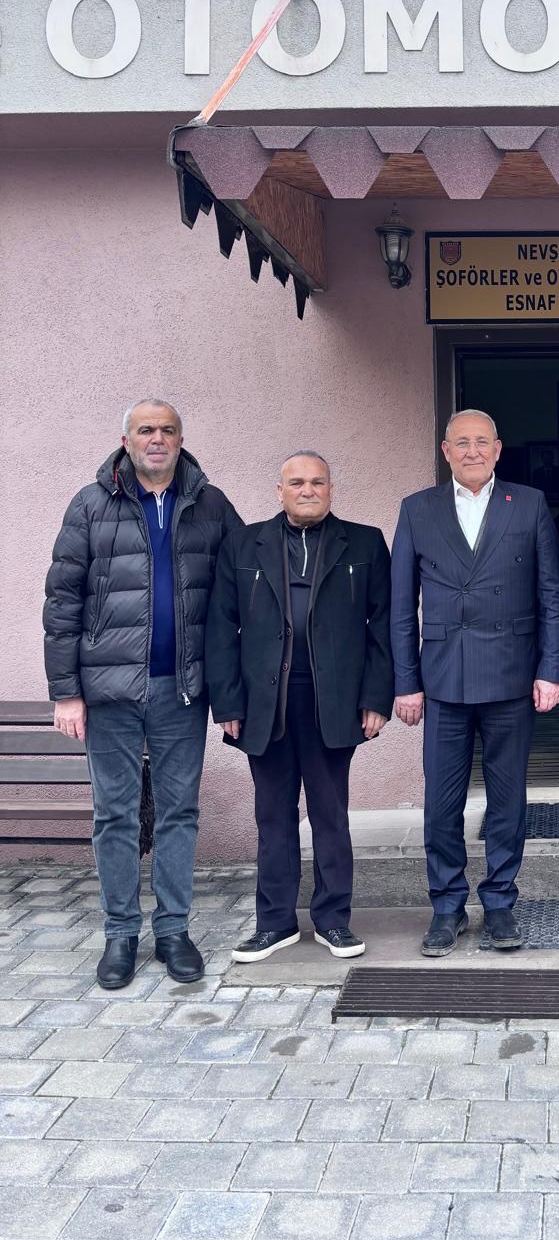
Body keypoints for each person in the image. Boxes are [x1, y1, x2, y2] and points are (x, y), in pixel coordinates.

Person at [43, 399, 241, 989]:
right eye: (146, 430)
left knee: (180, 811)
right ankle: (121, 934)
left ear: (181, 439)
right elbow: (62, 602)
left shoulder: (210, 504)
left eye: (167, 430)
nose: (157, 438)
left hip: (183, 690)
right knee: (115, 814)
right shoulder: (90, 503)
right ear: (126, 439)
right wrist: (65, 692)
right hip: (108, 691)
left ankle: (173, 931)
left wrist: (232, 688)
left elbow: (239, 595)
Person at [392, 410, 559, 957]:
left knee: (507, 800)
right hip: (442, 679)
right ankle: (447, 905)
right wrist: (406, 681)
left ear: (498, 449)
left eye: (481, 442)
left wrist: (551, 668)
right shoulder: (417, 509)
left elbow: (552, 594)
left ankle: (499, 902)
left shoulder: (529, 503)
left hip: (511, 674)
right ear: (446, 450)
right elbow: (401, 607)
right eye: (461, 442)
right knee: (440, 804)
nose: (472, 451)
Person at [205, 452, 391, 962]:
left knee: (330, 814)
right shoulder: (243, 544)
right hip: (265, 703)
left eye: (317, 482)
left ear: (331, 489)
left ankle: (333, 921)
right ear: (279, 490)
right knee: (273, 817)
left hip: (335, 702)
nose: (308, 490)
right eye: (297, 483)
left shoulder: (366, 543)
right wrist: (227, 701)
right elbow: (220, 628)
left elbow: (383, 625)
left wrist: (376, 698)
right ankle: (275, 923)